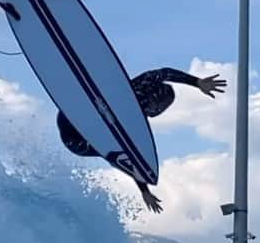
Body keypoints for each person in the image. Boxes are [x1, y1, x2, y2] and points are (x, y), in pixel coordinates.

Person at [57, 68, 226, 213]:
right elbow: (134, 161)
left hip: (71, 123)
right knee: (116, 145)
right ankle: (95, 120)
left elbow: (167, 72)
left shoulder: (140, 84)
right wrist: (144, 190)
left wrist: (196, 82)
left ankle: (94, 118)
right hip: (77, 142)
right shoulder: (136, 127)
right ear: (156, 109)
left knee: (112, 140)